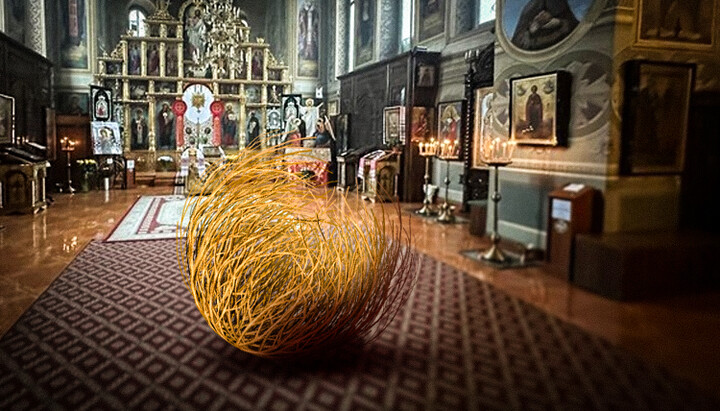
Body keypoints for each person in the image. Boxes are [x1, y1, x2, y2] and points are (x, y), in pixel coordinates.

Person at [511, 0, 579, 51]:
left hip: (567, 46)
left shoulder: (559, 3)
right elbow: (519, 43)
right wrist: (532, 29)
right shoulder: (531, 8)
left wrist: (560, 22)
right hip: (540, 51)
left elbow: (574, 26)